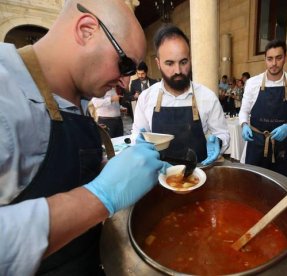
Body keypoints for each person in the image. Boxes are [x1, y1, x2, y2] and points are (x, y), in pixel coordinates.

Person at [0, 1, 169, 275]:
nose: (125, 83)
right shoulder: (5, 91)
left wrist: (112, 172)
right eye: (125, 65)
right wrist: (100, 196)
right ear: (87, 30)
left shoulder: (76, 96)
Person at [132, 25, 230, 166]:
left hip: (199, 175)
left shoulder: (207, 97)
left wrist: (218, 142)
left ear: (190, 60)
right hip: (158, 176)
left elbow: (223, 133)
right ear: (158, 63)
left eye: (183, 62)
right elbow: (137, 135)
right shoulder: (146, 97)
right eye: (170, 63)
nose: (178, 70)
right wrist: (139, 142)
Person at [239, 40, 287, 178]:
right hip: (255, 141)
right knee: (251, 182)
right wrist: (244, 124)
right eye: (270, 59)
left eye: (278, 58)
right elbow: (244, 110)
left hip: (280, 143)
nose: (274, 63)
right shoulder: (252, 83)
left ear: (285, 58)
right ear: (265, 60)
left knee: (278, 185)